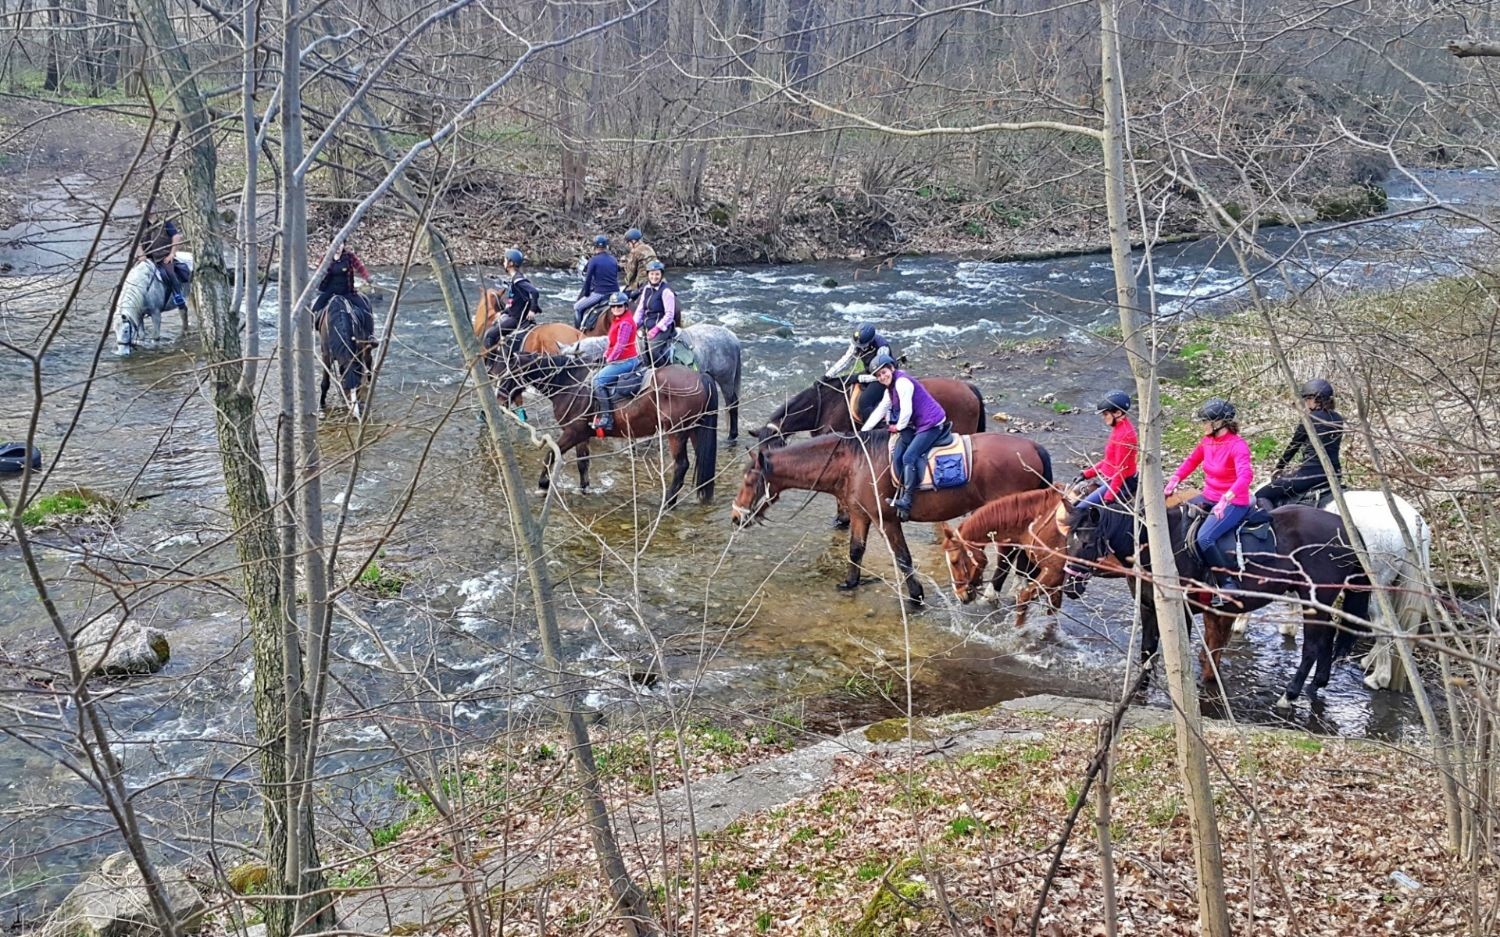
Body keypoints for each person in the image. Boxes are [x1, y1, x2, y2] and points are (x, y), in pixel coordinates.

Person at [1164, 398, 1253, 607]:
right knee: (1180, 521)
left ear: (1219, 423)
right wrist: (1175, 479)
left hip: (1233, 501)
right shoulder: (1207, 442)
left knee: (1204, 538)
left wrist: (1226, 499)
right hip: (1209, 496)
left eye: (1206, 421)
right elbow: (1192, 461)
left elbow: (1245, 476)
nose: (1202, 425)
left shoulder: (1237, 446)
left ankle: (1227, 583)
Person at [860, 352, 947, 521]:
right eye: (878, 375)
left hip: (931, 424)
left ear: (891, 368)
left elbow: (906, 411)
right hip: (917, 425)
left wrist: (896, 427)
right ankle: (900, 493)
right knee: (897, 453)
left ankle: (907, 500)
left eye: (883, 372)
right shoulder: (889, 390)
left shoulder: (902, 383)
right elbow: (880, 410)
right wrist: (864, 431)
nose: (882, 377)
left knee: (909, 457)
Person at [1255, 378, 1345, 509]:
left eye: (1307, 399)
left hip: (1311, 474)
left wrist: (1279, 467)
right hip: (1335, 473)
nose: (1306, 403)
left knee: (1261, 494)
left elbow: (1294, 445)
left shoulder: (1309, 419)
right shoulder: (1338, 419)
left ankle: (1272, 525)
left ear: (1316, 398)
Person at [1074, 390, 1139, 512]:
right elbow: (1109, 461)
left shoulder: (1125, 435)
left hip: (1122, 483)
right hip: (1109, 478)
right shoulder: (1118, 428)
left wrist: (1109, 497)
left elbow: (1121, 471)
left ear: (1118, 413)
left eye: (1105, 414)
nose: (1104, 418)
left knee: (1080, 509)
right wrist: (1086, 474)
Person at [826, 323, 895, 423]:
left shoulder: (882, 348)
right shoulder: (857, 343)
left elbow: (881, 375)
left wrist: (859, 378)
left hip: (883, 376)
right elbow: (846, 359)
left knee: (864, 402)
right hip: (870, 371)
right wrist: (828, 375)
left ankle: (876, 429)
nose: (857, 347)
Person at [591, 292, 639, 432]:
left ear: (625, 306)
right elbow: (612, 343)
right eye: (613, 306)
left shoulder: (625, 322)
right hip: (619, 359)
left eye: (619, 306)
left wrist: (609, 359)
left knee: (597, 381)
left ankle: (607, 418)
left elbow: (621, 345)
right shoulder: (618, 319)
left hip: (626, 361)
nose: (616, 308)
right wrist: (606, 354)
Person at [312, 237, 373, 335]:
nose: (338, 247)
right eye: (335, 244)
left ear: (343, 245)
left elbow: (360, 267)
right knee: (314, 310)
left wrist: (367, 277)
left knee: (365, 309)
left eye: (340, 244)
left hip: (347, 291)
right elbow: (318, 273)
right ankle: (313, 335)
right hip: (330, 292)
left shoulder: (349, 257)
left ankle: (370, 335)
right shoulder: (325, 258)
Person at [138, 210, 186, 310]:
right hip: (148, 259)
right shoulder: (142, 226)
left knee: (170, 273)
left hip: (163, 257)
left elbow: (176, 237)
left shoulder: (165, 223)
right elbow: (136, 241)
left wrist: (172, 254)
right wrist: (141, 255)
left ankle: (178, 295)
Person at [633, 260, 678, 368]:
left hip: (663, 327)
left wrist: (656, 329)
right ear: (648, 275)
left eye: (657, 274)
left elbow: (669, 315)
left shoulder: (666, 292)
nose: (654, 277)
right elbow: (640, 309)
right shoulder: (646, 289)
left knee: (653, 350)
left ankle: (666, 370)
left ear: (661, 275)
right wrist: (633, 324)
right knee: (638, 347)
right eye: (652, 274)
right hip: (647, 324)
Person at [574, 235, 620, 329]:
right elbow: (615, 276)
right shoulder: (613, 260)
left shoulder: (593, 260)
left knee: (577, 307)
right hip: (615, 292)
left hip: (600, 293)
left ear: (595, 247)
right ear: (606, 247)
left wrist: (586, 293)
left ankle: (577, 333)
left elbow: (588, 279)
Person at [620, 228, 658, 295]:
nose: (628, 245)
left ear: (633, 241)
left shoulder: (635, 251)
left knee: (624, 296)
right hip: (656, 279)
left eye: (628, 243)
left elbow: (630, 274)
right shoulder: (649, 248)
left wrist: (624, 266)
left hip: (643, 283)